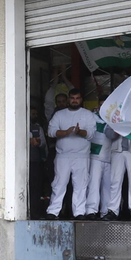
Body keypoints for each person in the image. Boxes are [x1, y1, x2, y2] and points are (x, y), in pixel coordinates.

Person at [46, 90, 94, 218]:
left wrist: (79, 132)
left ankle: (79, 212)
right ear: (68, 99)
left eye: (77, 98)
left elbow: (91, 134)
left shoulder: (88, 114)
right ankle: (53, 211)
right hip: (63, 155)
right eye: (72, 98)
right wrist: (65, 132)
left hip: (82, 156)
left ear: (81, 99)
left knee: (81, 185)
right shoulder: (59, 115)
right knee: (59, 184)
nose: (74, 100)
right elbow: (50, 131)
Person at [106, 126, 131, 221]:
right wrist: (117, 131)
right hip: (117, 150)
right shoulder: (115, 113)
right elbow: (108, 133)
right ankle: (112, 210)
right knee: (115, 181)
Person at [84, 110, 117, 218]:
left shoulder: (114, 118)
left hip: (110, 156)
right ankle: (91, 210)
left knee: (108, 186)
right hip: (96, 155)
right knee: (93, 184)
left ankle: (105, 211)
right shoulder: (93, 116)